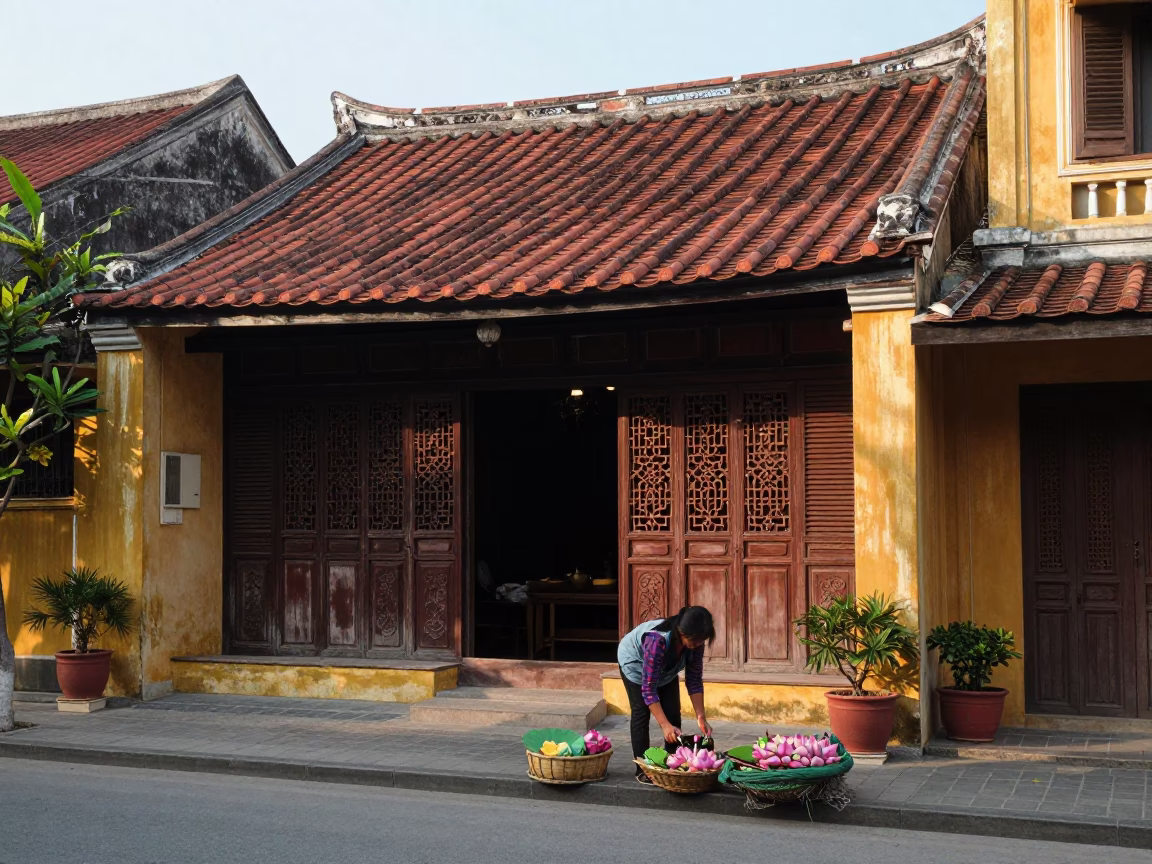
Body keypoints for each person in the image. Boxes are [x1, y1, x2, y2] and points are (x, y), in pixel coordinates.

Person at [617, 605, 715, 784]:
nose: (698, 645)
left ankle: (672, 762)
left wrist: (701, 716)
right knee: (641, 713)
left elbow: (694, 679)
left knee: (673, 714)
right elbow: (648, 689)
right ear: (681, 632)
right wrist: (664, 725)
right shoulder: (657, 640)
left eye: (701, 641)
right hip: (635, 664)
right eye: (694, 640)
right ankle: (642, 768)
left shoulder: (696, 643)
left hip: (666, 670)